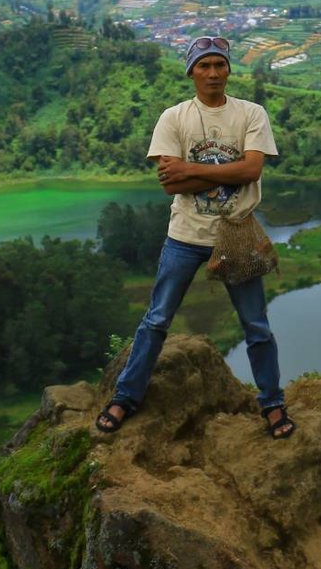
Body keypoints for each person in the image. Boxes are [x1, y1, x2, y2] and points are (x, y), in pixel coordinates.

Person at [95, 35, 295, 440]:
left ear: (229, 70)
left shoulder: (251, 114)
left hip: (237, 234)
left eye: (219, 65)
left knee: (256, 325)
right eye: (204, 66)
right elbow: (171, 184)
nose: (213, 73)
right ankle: (125, 398)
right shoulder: (174, 118)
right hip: (185, 235)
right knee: (156, 320)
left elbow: (251, 171)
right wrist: (220, 170)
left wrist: (192, 171)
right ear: (191, 72)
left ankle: (272, 404)